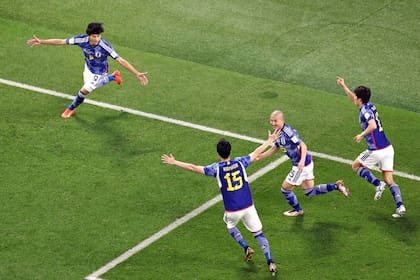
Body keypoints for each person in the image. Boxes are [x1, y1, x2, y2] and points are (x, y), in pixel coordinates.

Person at [161, 130, 281, 274]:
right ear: (230, 151)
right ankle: (270, 261)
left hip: (232, 211)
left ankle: (245, 247)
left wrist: (175, 162)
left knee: (229, 224)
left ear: (218, 154)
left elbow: (193, 167)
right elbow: (256, 153)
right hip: (249, 206)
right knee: (258, 233)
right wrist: (269, 141)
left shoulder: (216, 169)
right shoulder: (241, 162)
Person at [27, 22, 148, 118]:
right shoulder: (81, 40)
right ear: (89, 35)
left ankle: (70, 109)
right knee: (91, 86)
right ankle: (113, 76)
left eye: (99, 36)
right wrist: (41, 41)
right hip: (88, 68)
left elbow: (120, 60)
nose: (97, 39)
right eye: (94, 36)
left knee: (84, 91)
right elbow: (61, 41)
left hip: (100, 72)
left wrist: (136, 73)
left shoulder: (105, 46)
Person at [336, 76, 406, 218]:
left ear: (359, 99)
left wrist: (361, 135)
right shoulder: (369, 105)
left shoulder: (364, 112)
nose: (354, 98)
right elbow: (354, 99)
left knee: (356, 166)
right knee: (389, 179)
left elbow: (373, 125)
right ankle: (400, 206)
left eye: (355, 96)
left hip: (376, 150)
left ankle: (377, 184)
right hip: (388, 148)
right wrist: (344, 86)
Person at [257, 110, 349, 217]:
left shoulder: (288, 132)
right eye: (271, 121)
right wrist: (262, 156)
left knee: (285, 190)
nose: (273, 123)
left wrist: (301, 162)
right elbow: (276, 147)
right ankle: (336, 186)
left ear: (282, 120)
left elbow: (303, 145)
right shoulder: (278, 132)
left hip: (301, 166)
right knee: (310, 191)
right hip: (307, 163)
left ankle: (298, 210)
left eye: (275, 121)